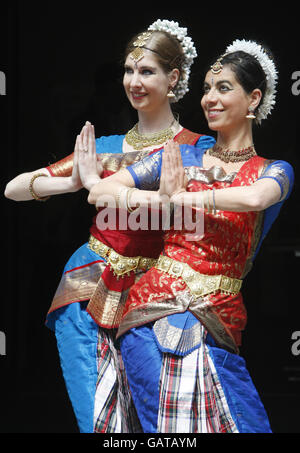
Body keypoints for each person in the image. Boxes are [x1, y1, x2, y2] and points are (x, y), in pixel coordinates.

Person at [4, 19, 215, 433]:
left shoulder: (198, 149)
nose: (134, 81)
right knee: (99, 422)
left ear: (173, 78)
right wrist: (72, 180)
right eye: (129, 70)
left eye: (147, 71)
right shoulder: (105, 148)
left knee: (166, 424)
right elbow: (13, 188)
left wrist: (155, 198)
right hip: (88, 290)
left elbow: (203, 221)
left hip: (161, 295)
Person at [88, 39, 294, 433]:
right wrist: (161, 198)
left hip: (218, 314)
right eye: (205, 90)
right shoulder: (181, 156)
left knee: (245, 421)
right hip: (151, 307)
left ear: (253, 99)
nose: (209, 99)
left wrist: (186, 195)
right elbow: (102, 192)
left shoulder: (274, 169)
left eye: (223, 88)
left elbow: (255, 198)